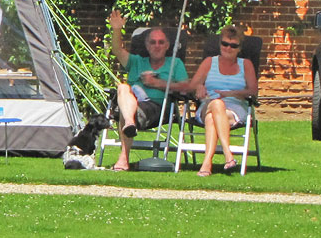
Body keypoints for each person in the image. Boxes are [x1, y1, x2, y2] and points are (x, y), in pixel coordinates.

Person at [108, 10, 189, 171]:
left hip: (156, 108)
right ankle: (130, 124)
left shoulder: (175, 63)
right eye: (152, 42)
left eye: (161, 42)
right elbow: (117, 50)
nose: (157, 45)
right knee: (123, 87)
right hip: (131, 106)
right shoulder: (136, 61)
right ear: (146, 46)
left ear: (167, 46)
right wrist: (117, 29)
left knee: (125, 110)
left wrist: (157, 83)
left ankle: (123, 158)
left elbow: (186, 87)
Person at [189, 25, 258, 177]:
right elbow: (192, 85)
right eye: (225, 44)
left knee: (211, 118)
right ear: (220, 44)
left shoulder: (245, 64)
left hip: (234, 108)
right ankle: (228, 153)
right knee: (216, 103)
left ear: (239, 48)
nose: (228, 48)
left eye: (233, 45)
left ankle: (207, 163)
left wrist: (232, 93)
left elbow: (253, 91)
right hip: (207, 104)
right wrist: (199, 87)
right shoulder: (209, 62)